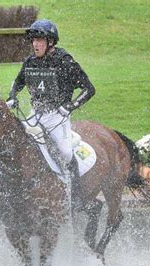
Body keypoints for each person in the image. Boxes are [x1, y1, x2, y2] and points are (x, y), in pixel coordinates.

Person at [7, 19, 95, 196]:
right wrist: (12, 97)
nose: (35, 45)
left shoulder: (65, 62)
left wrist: (70, 106)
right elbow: (18, 82)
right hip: (35, 115)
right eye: (33, 40)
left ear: (51, 42)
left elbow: (89, 89)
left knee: (65, 153)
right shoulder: (30, 62)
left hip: (57, 116)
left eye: (39, 40)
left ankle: (74, 193)